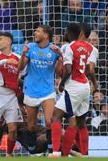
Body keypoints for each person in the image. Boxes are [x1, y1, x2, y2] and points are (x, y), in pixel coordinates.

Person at [49, 23, 98, 157]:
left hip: (73, 86)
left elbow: (68, 69)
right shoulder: (92, 49)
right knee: (80, 122)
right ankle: (85, 154)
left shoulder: (69, 46)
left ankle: (57, 152)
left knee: (56, 116)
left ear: (80, 32)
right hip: (85, 86)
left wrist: (62, 83)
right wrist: (95, 83)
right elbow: (90, 69)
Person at [18, 25, 63, 154]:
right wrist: (23, 54)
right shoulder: (30, 48)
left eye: (38, 31)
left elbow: (60, 72)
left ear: (46, 35)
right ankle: (33, 153)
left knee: (50, 122)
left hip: (47, 91)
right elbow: (20, 68)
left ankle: (51, 152)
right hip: (31, 90)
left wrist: (60, 56)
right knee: (31, 126)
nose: (35, 32)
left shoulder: (55, 50)